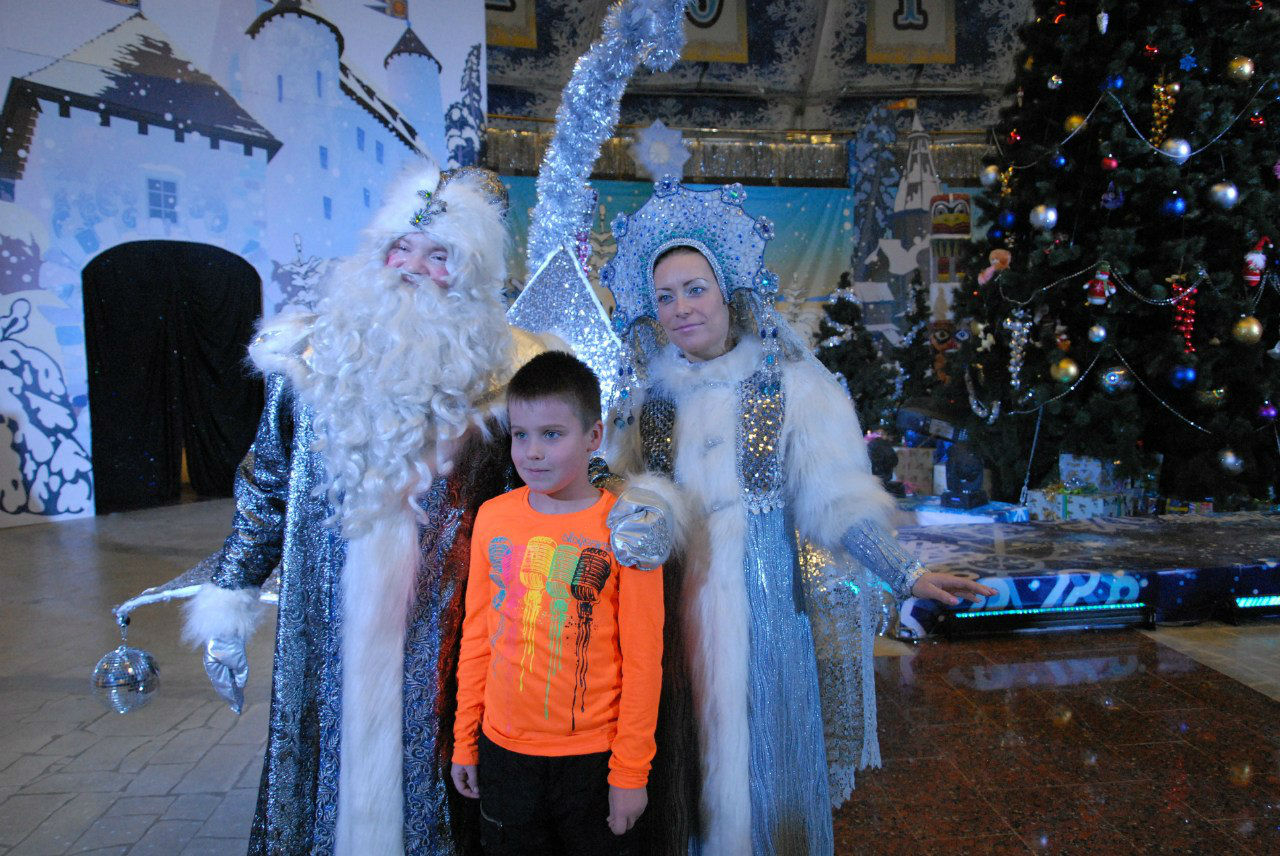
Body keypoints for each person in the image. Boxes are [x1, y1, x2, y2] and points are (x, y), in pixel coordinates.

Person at [178, 162, 669, 856]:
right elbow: (267, 484)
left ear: (470, 274)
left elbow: (570, 469)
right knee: (328, 767)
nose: (413, 267)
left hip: (447, 628)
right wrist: (230, 595)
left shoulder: (508, 370)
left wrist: (636, 510)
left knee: (441, 785)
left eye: (440, 255)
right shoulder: (311, 357)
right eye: (401, 247)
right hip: (326, 619)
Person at [597, 177, 997, 856]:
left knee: (772, 768)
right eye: (664, 296)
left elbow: (835, 498)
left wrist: (906, 572)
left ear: (727, 291)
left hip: (771, 611)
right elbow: (619, 499)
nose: (681, 308)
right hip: (674, 612)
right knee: (687, 767)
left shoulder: (790, 384)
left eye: (694, 289)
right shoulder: (647, 405)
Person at [450, 351, 664, 856]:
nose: (532, 453)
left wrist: (630, 773)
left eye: (552, 434)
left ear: (593, 436)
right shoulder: (493, 517)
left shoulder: (629, 525)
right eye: (520, 435)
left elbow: (643, 660)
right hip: (505, 754)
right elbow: (477, 636)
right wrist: (465, 739)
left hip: (593, 760)